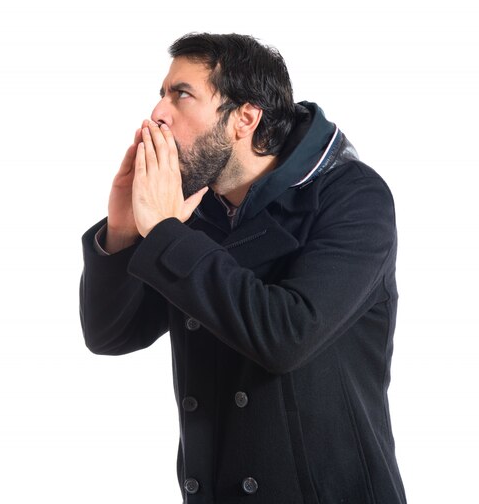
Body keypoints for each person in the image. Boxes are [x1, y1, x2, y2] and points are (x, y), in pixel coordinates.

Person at [79, 32, 406, 503]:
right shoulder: (192, 211)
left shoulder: (353, 197)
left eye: (182, 94)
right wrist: (124, 231)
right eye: (161, 95)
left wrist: (167, 232)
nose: (158, 114)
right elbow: (111, 335)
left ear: (244, 118)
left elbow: (286, 336)